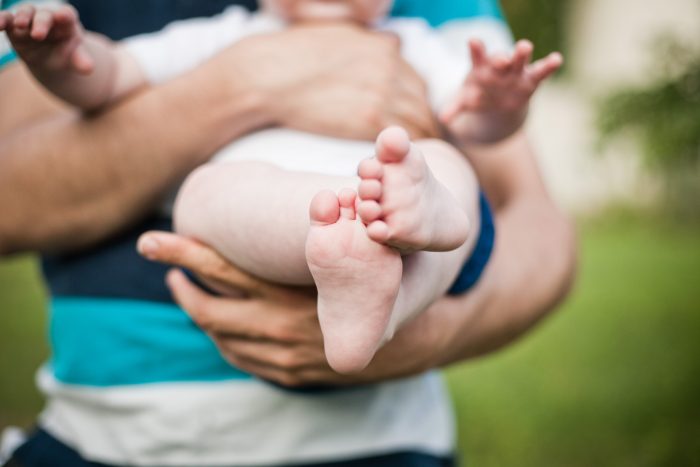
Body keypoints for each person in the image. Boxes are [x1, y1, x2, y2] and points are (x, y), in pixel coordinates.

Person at [0, 0, 576, 466]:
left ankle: (389, 294)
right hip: (284, 220)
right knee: (208, 191)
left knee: (453, 169)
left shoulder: (414, 39)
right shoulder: (223, 35)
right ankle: (350, 254)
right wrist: (63, 56)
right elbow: (110, 76)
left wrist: (500, 104)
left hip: (401, 223)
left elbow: (475, 121)